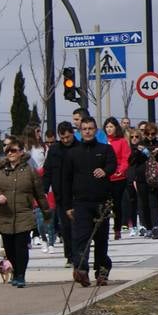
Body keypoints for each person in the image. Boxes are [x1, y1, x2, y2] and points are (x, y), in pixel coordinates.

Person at [61, 116, 117, 287]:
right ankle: (81, 270)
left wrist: (105, 171)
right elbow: (66, 181)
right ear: (80, 131)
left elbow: (113, 165)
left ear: (95, 130)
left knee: (101, 240)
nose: (87, 131)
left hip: (101, 202)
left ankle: (102, 272)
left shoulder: (105, 149)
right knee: (81, 238)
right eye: (84, 129)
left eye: (90, 128)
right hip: (81, 203)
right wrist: (67, 206)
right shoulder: (72, 153)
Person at [0, 139, 47, 289]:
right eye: (8, 151)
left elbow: (39, 194)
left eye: (13, 150)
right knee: (9, 248)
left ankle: (21, 275)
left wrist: (46, 212)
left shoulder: (29, 171)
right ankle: (15, 270)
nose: (10, 153)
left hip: (24, 215)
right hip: (5, 216)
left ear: (21, 152)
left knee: (21, 247)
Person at [44, 121, 78, 265]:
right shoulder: (54, 150)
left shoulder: (79, 147)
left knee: (78, 226)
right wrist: (44, 190)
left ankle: (80, 253)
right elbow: (48, 171)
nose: (65, 141)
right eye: (62, 138)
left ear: (72, 134)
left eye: (68, 138)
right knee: (65, 226)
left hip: (77, 193)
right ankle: (70, 256)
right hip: (61, 195)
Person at [103, 117, 131, 240]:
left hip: (118, 177)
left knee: (117, 205)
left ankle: (117, 228)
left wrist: (121, 170)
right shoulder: (102, 141)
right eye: (107, 127)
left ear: (116, 128)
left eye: (111, 127)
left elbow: (126, 158)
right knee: (104, 204)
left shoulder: (121, 141)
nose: (109, 129)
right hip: (105, 177)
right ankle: (103, 228)